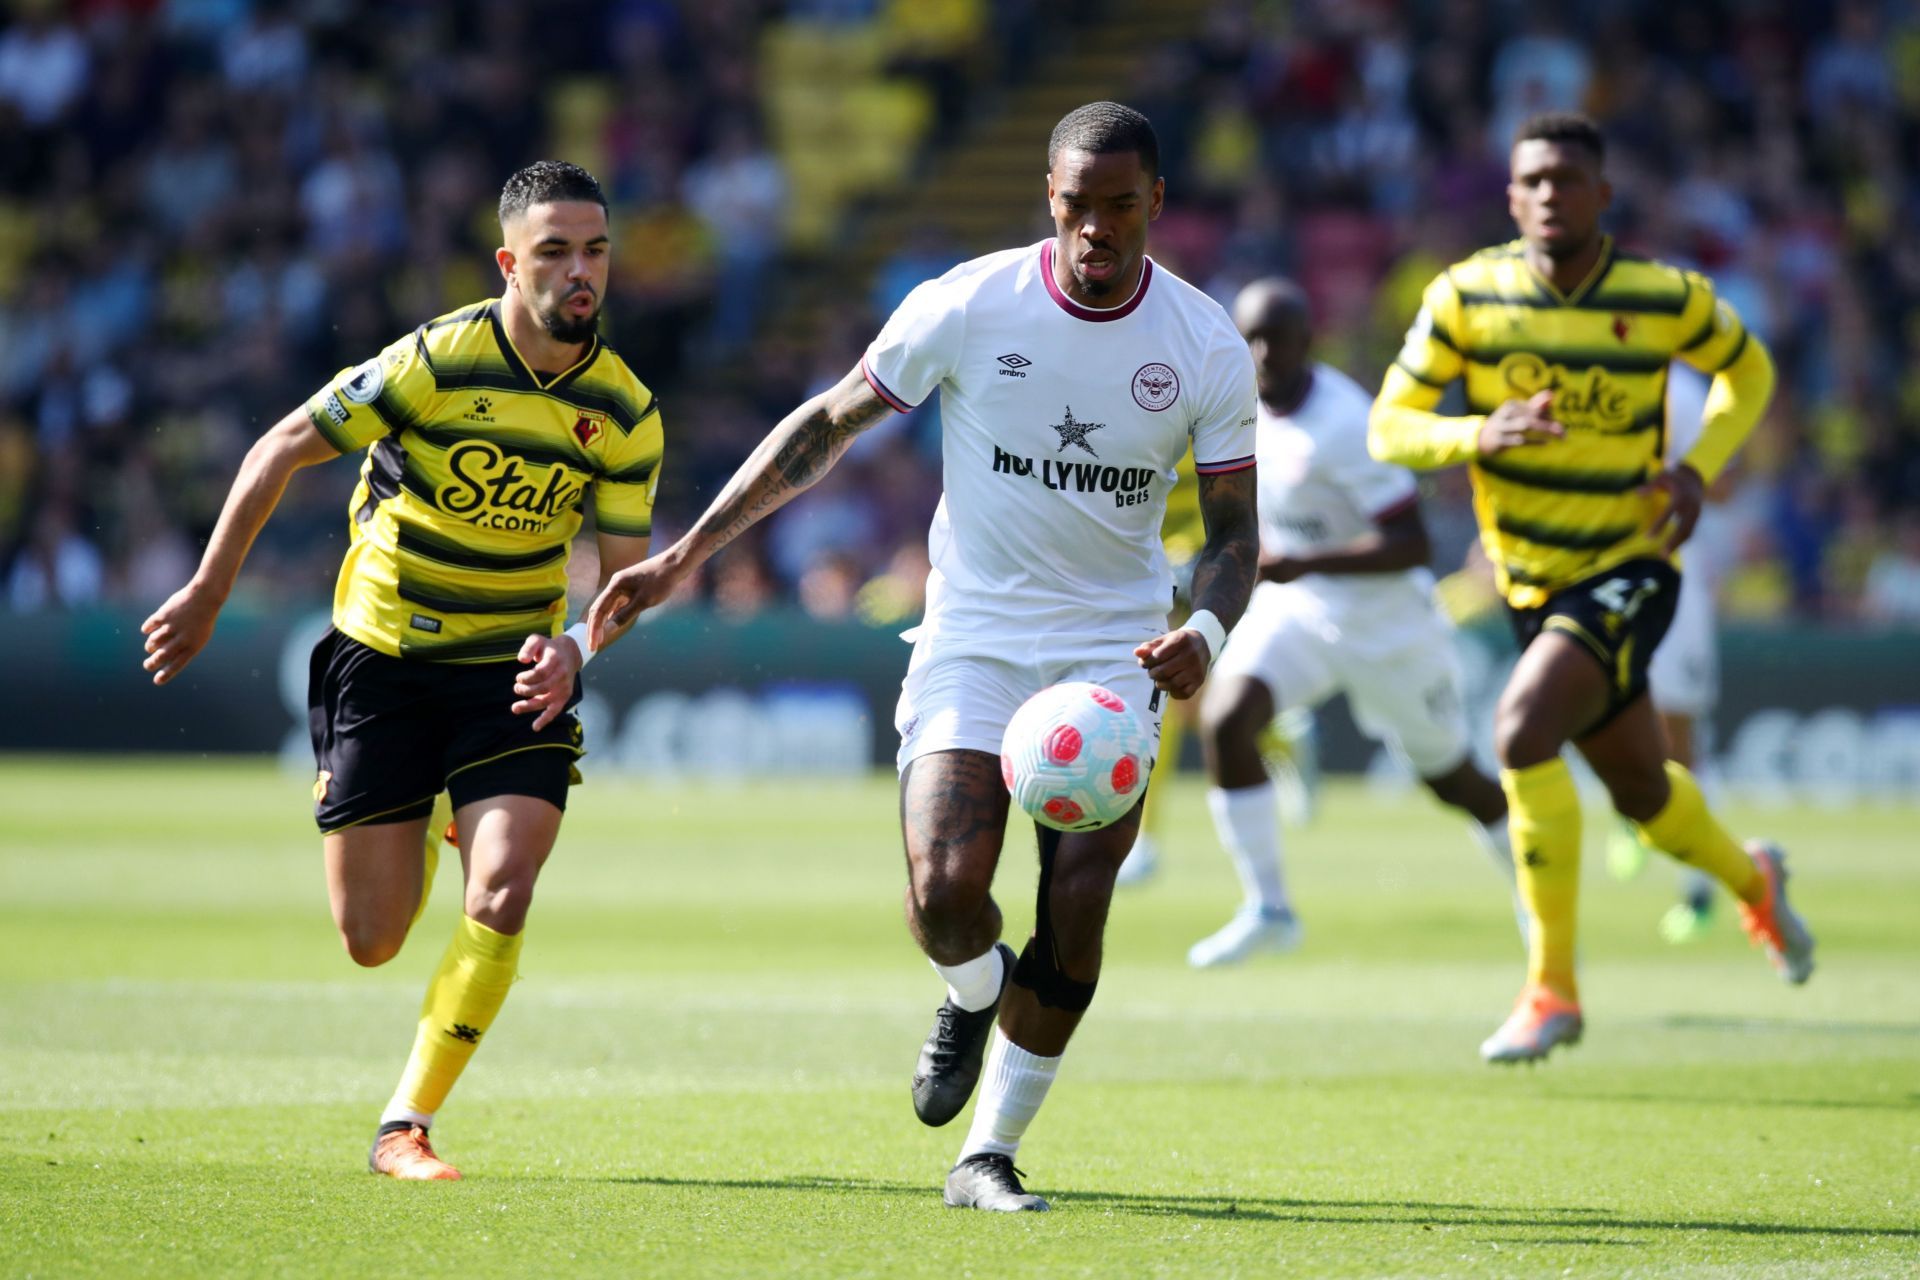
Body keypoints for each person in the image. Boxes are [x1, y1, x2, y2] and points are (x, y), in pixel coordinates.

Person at [588, 102, 1258, 1211]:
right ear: (1049, 198)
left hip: (1112, 651)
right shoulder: (967, 302)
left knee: (1077, 906)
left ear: (1156, 205)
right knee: (947, 894)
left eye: (1120, 207)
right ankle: (971, 987)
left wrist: (1207, 633)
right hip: (976, 636)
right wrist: (686, 554)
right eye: (1077, 206)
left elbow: (1236, 535)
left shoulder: (1202, 342)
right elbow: (825, 425)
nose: (1096, 229)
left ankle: (985, 1154)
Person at [140, 161, 664, 1176]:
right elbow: (283, 445)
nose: (579, 270)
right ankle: (425, 807)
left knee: (504, 885)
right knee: (372, 938)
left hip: (511, 668)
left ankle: (404, 1122)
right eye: (553, 250)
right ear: (510, 263)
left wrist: (576, 644)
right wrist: (208, 592)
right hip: (381, 657)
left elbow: (621, 570)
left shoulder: (625, 408)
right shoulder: (435, 358)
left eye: (594, 247)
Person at [1370, 112, 1815, 1065]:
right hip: (1530, 585)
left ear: (1601, 194)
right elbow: (1390, 426)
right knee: (1645, 796)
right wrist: (1474, 434)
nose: (1548, 195)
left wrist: (1698, 468)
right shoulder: (1466, 297)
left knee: (1522, 730)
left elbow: (1750, 368)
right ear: (1509, 196)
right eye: (1531, 180)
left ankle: (1550, 991)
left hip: (1631, 566)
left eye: (1567, 179)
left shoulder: (1663, 297)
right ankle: (1755, 881)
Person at [1188, 277, 1523, 969]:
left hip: (1388, 626)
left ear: (1307, 342)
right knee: (1225, 719)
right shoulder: (1240, 405)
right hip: (1301, 612)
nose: (1259, 353)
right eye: (1248, 339)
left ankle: (1536, 894)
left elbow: (1413, 545)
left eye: (1274, 339)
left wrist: (1300, 563)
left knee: (1452, 779)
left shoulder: (1348, 423)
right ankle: (1269, 907)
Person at [1606, 363, 1726, 941]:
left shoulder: (1680, 390)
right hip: (1601, 572)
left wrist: (1679, 475)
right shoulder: (1584, 365)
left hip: (1673, 569)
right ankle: (1631, 811)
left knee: (1679, 735)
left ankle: (1698, 887)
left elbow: (1723, 482)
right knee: (1594, 705)